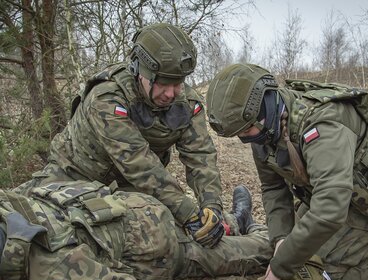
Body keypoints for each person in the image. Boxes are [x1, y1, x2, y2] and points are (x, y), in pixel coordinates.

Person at [15, 23, 225, 248]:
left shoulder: (187, 104)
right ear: (139, 71)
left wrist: (211, 206)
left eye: (178, 83)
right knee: (28, 222)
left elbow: (201, 156)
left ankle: (236, 223)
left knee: (161, 232)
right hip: (70, 177)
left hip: (126, 188)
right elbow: (138, 162)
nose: (171, 94)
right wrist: (188, 212)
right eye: (163, 83)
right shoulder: (106, 97)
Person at [206, 63, 368, 280]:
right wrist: (282, 239)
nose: (245, 139)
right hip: (344, 202)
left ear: (266, 108)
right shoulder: (265, 132)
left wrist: (282, 264)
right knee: (292, 256)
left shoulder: (324, 123)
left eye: (246, 131)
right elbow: (273, 187)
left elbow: (330, 208)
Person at [0, 181, 274, 280]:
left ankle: (241, 221)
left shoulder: (52, 275)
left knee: (269, 247)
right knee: (254, 247)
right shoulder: (11, 203)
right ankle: (241, 221)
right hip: (146, 219)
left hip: (160, 242)